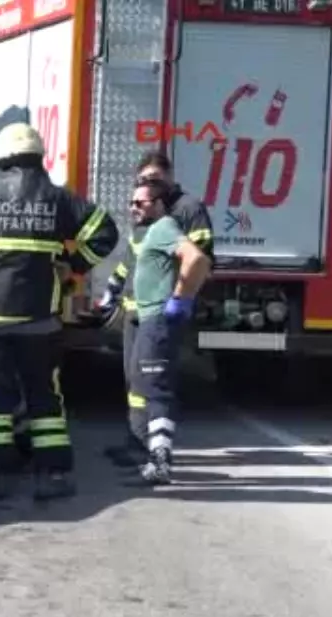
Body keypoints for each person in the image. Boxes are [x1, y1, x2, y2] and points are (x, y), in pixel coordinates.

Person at [0, 122, 120, 500]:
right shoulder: (59, 198)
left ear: (3, 156)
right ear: (38, 154)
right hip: (40, 318)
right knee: (44, 396)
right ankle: (54, 474)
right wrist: (73, 264)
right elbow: (106, 232)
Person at [100, 151, 215, 468]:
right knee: (136, 383)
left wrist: (181, 298)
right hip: (135, 313)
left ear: (168, 178)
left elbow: (199, 259)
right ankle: (137, 444)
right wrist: (111, 290)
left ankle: (159, 453)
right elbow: (131, 259)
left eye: (153, 180)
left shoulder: (183, 212)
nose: (137, 200)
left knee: (155, 383)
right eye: (142, 181)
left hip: (160, 314)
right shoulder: (144, 222)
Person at [123, 178, 212, 484]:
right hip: (149, 319)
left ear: (159, 204)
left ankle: (160, 462)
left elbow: (198, 258)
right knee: (145, 383)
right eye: (131, 202)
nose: (133, 207)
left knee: (157, 389)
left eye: (141, 202)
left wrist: (181, 298)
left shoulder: (163, 228)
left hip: (158, 320)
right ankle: (155, 459)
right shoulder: (150, 232)